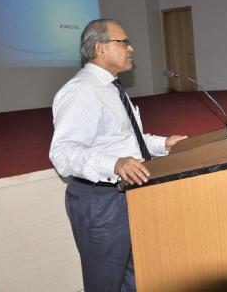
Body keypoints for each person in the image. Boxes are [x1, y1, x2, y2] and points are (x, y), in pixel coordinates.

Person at [49, 18, 187, 292]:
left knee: (133, 277)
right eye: (123, 42)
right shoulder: (82, 91)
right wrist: (114, 164)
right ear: (100, 48)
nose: (131, 48)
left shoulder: (111, 88)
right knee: (106, 283)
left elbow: (124, 141)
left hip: (125, 194)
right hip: (100, 202)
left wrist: (164, 145)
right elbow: (63, 153)